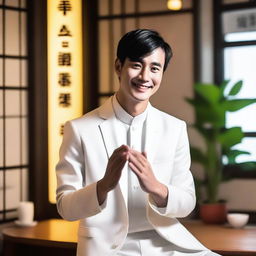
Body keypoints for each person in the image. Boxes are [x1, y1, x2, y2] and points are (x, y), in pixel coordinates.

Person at [56, 29, 220, 256]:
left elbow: (187, 203)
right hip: (107, 248)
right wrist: (103, 186)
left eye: (155, 68)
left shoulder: (175, 128)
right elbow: (65, 207)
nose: (145, 76)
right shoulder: (79, 129)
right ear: (118, 67)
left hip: (166, 243)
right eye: (136, 65)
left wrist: (157, 188)